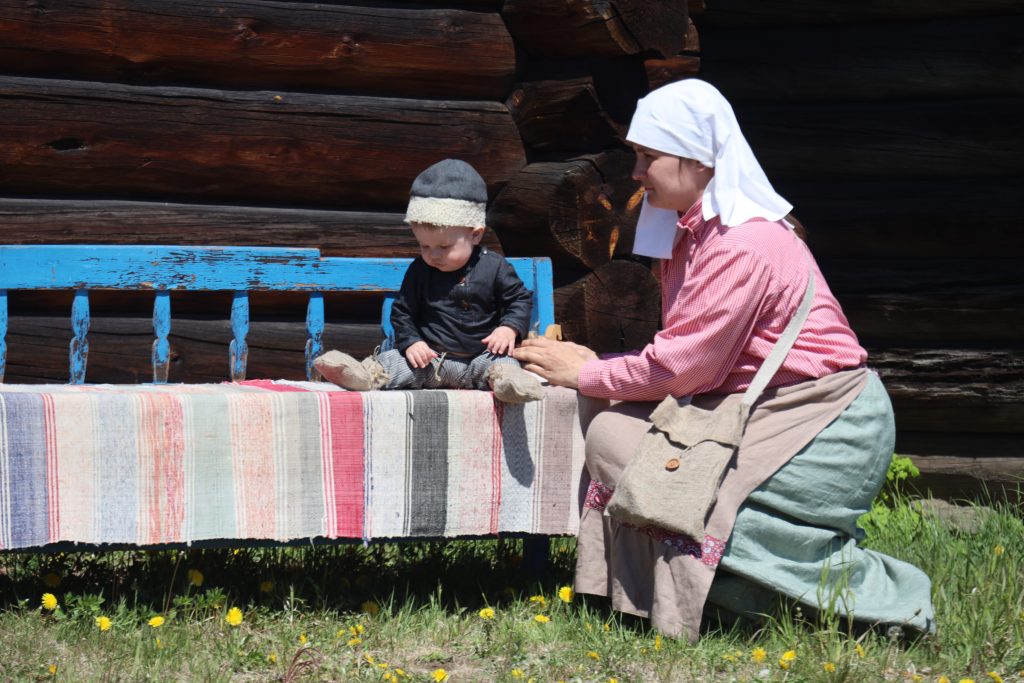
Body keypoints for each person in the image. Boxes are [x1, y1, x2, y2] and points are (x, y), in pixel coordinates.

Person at [513, 79, 934, 641]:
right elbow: (691, 353)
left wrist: (584, 370)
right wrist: (596, 367)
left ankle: (846, 606)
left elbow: (685, 369)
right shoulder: (695, 235)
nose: (636, 172)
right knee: (612, 425)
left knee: (618, 436)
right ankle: (693, 598)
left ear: (699, 160)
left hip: (823, 421)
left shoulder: (742, 243)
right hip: (759, 404)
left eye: (648, 157)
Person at [315, 158, 543, 404]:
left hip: (483, 358)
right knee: (394, 361)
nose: (433, 254)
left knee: (505, 364)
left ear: (475, 235)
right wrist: (412, 342)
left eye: (444, 246)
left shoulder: (495, 266)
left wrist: (509, 327)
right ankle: (364, 375)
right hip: (431, 360)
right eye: (424, 246)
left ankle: (511, 385)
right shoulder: (420, 270)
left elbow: (519, 299)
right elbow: (403, 312)